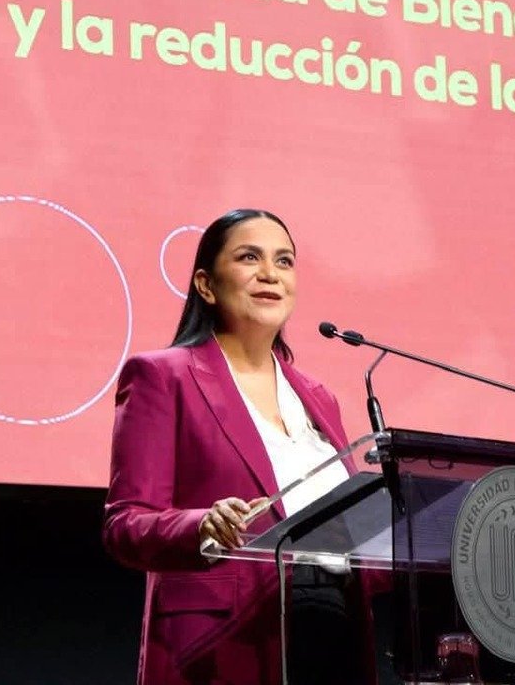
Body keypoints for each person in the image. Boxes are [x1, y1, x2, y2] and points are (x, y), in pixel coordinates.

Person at [103, 209, 368, 685]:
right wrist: (200, 524)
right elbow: (126, 524)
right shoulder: (162, 377)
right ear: (206, 285)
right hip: (225, 641)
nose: (270, 273)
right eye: (249, 257)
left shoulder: (319, 397)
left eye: (284, 261)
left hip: (332, 623)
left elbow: (348, 535)